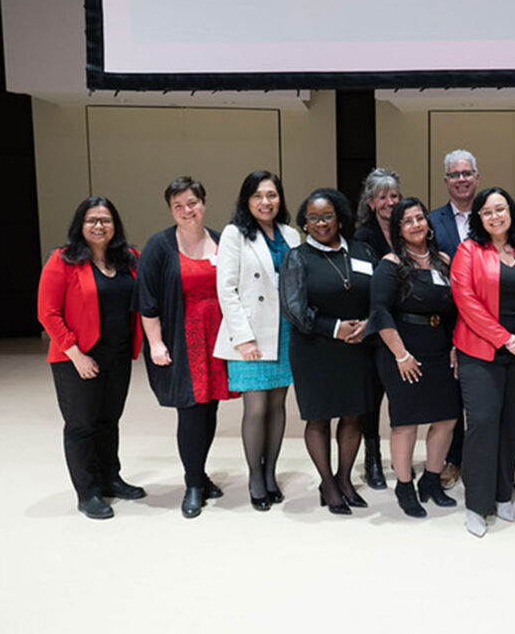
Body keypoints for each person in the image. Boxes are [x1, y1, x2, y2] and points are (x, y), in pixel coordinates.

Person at [134, 176, 238, 518]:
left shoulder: (223, 240)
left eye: (191, 203)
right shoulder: (159, 246)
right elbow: (146, 300)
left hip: (217, 341)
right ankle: (193, 484)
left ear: (203, 203)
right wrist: (156, 343)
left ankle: (201, 473)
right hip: (182, 341)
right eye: (177, 205)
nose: (185, 210)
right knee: (191, 412)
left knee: (209, 410)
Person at [451, 187, 515, 537]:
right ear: (478, 218)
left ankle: (502, 492)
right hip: (481, 351)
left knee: (512, 423)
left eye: (501, 209)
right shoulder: (468, 251)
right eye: (487, 211)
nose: (495, 216)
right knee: (482, 422)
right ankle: (478, 504)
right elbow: (466, 301)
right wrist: (504, 338)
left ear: (511, 212)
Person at [38, 197, 145, 519]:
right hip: (76, 357)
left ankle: (110, 478)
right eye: (92, 220)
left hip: (118, 354)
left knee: (108, 421)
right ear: (80, 226)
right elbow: (48, 312)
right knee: (81, 425)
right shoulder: (63, 260)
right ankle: (88, 492)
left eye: (106, 220)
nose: (99, 226)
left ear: (115, 225)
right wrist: (76, 354)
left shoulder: (129, 259)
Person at [280, 188, 377, 515]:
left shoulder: (362, 252)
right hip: (314, 349)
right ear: (305, 222)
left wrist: (368, 324)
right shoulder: (298, 257)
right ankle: (327, 482)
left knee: (354, 416)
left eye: (328, 216)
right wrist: (334, 328)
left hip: (357, 348)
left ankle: (345, 478)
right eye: (313, 218)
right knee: (319, 417)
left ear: (340, 218)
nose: (321, 223)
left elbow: (379, 295)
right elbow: (293, 309)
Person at [213, 170, 301, 511]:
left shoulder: (291, 234)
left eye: (272, 195)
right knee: (257, 407)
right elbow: (226, 288)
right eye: (258, 196)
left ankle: (271, 472)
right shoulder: (235, 234)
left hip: (285, 330)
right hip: (250, 333)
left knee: (278, 407)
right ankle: (254, 474)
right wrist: (243, 338)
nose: (266, 202)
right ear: (246, 200)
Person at [368, 197, 460, 517]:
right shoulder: (391, 264)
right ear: (398, 229)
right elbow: (379, 312)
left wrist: (454, 345)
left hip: (440, 349)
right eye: (408, 221)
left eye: (420, 218)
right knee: (406, 422)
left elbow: (454, 311)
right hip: (402, 352)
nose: (416, 224)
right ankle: (405, 485)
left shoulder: (443, 260)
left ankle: (431, 481)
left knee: (447, 417)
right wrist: (401, 354)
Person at [430, 149, 480, 488]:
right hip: (444, 319)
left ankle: (479, 459)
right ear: (446, 181)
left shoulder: (491, 213)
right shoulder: (432, 221)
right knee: (449, 395)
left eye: (467, 173)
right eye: (454, 174)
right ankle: (453, 457)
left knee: (480, 395)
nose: (461, 179)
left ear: (477, 177)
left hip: (486, 320)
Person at [353, 168, 403, 489]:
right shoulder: (361, 237)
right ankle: (372, 458)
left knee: (400, 398)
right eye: (382, 197)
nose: (389, 202)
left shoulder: (409, 227)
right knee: (371, 400)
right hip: (372, 328)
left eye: (394, 195)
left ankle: (400, 459)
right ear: (371, 202)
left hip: (402, 326)